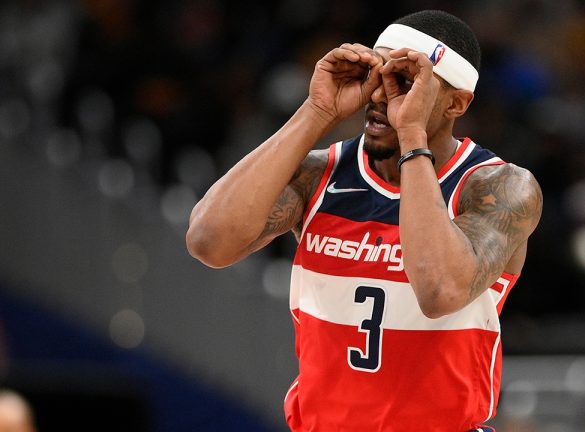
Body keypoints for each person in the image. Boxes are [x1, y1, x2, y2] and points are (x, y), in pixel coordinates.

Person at [186, 9, 542, 431]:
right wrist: (317, 111)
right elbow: (208, 242)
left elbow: (440, 290)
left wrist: (411, 135)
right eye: (377, 73)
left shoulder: (498, 187)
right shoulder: (321, 173)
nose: (380, 95)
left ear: (456, 103)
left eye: (404, 83)